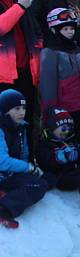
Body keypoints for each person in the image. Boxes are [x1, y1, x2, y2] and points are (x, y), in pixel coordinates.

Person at [0, 0, 42, 136]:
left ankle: (28, 160)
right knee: (6, 122)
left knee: (27, 120)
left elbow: (35, 30)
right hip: (3, 76)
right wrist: (20, 6)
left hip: (25, 71)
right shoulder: (20, 3)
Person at [39, 7, 80, 147]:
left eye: (72, 28)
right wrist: (50, 112)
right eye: (65, 29)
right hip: (63, 110)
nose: (70, 32)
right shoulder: (50, 53)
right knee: (66, 143)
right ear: (55, 30)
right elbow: (47, 86)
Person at [0, 88, 47, 228]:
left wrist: (30, 168)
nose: (22, 112)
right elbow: (2, 162)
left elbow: (24, 154)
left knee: (42, 182)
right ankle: (4, 209)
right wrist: (27, 167)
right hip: (3, 172)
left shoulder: (21, 127)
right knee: (36, 184)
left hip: (10, 174)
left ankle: (5, 194)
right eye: (17, 108)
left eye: (24, 108)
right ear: (6, 110)